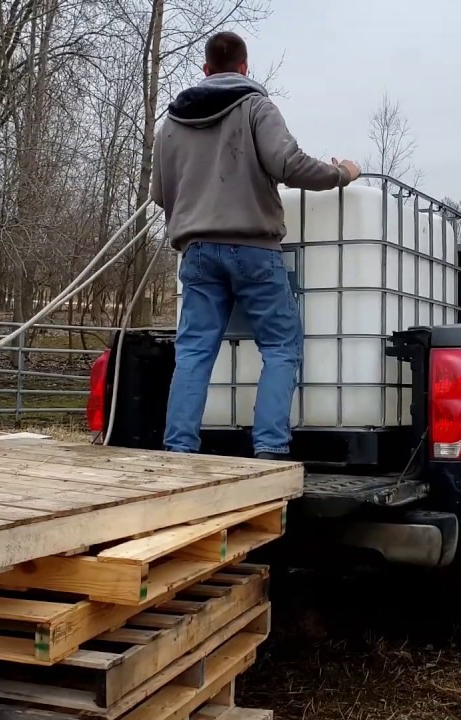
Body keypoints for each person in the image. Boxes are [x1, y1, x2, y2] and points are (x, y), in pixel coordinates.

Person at [151, 31, 361, 461]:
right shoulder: (255, 106)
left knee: (193, 351)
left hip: (197, 252)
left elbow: (159, 194)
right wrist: (342, 173)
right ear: (245, 67)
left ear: (205, 70)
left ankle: (178, 450)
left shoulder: (170, 124)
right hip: (253, 248)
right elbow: (289, 164)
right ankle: (268, 448)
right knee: (281, 346)